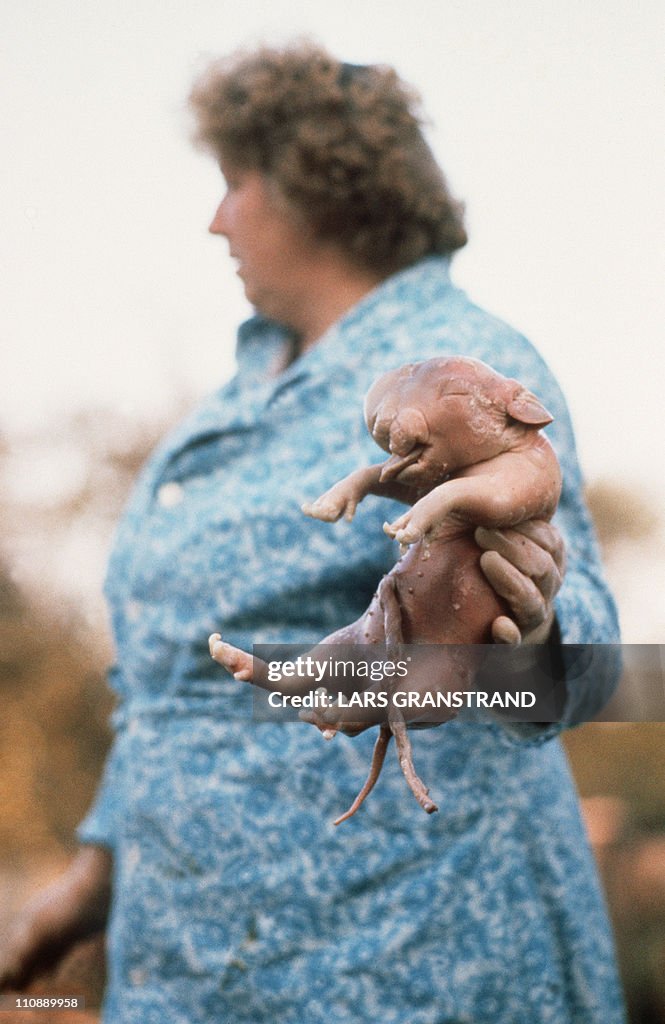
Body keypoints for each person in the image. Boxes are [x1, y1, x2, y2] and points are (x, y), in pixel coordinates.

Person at [0, 42, 624, 1024]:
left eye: (235, 181)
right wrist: (95, 873)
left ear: (313, 186)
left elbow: (580, 657)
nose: (215, 219)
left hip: (397, 959)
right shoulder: (236, 398)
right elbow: (173, 682)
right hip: (194, 963)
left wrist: (535, 620)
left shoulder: (465, 364)